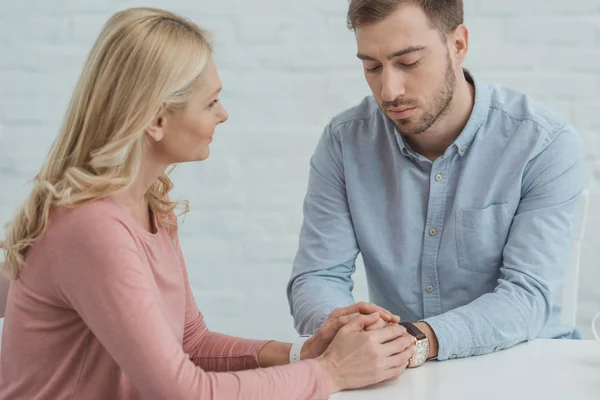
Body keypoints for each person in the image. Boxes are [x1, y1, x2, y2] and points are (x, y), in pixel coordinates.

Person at [0, 7, 416, 399]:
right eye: (210, 101)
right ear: (156, 120)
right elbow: (184, 391)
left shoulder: (151, 207)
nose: (224, 115)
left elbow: (191, 342)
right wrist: (331, 373)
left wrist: (300, 355)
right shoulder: (92, 228)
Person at [288, 0, 586, 367]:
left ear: (458, 44)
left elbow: (527, 295)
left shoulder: (542, 143)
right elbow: (317, 275)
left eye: (408, 63)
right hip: (405, 374)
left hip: (526, 365)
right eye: (371, 66)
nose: (389, 91)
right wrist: (352, 333)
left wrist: (416, 341)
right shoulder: (345, 141)